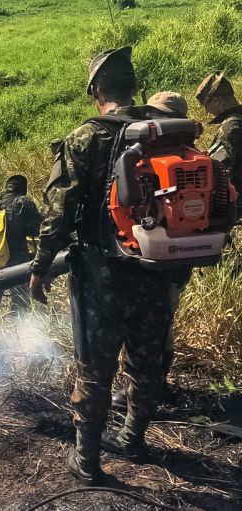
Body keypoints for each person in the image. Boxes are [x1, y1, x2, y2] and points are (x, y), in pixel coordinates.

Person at [29, 47, 176, 485]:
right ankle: (133, 438)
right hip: (157, 270)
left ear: (97, 90)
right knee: (148, 362)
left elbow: (60, 211)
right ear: (133, 86)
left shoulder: (85, 138)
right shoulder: (164, 132)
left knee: (96, 366)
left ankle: (88, 461)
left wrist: (39, 266)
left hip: (102, 276)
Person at [110, 91, 192, 410]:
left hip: (152, 260)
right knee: (163, 324)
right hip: (182, 260)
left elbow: (128, 203)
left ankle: (142, 395)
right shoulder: (193, 155)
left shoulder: (152, 159)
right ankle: (156, 386)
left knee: (143, 329)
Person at [0, 174, 43, 320]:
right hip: (14, 261)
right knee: (20, 298)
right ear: (23, 189)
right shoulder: (23, 201)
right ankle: (16, 332)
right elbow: (39, 229)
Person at [195, 72, 242, 196]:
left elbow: (215, 167)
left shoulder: (231, 128)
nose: (206, 111)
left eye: (206, 106)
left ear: (216, 100)